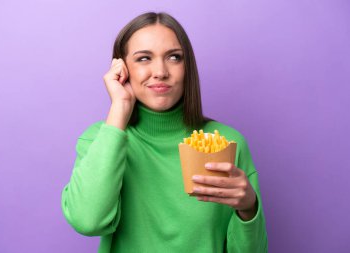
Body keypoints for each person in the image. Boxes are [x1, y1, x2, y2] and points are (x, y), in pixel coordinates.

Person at [61, 12, 268, 253]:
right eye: (143, 59)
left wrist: (249, 208)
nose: (160, 71)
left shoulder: (225, 142)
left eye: (174, 57)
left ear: (187, 67)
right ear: (121, 68)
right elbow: (88, 222)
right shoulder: (100, 139)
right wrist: (119, 108)